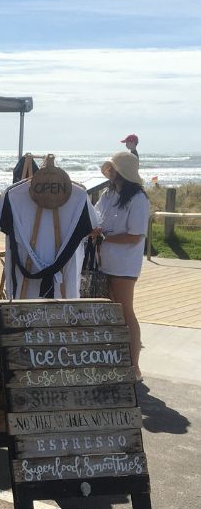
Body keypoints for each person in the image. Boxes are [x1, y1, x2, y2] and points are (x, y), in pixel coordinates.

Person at [93, 151, 150, 381]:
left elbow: (135, 236)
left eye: (113, 169)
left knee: (126, 312)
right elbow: (96, 217)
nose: (110, 172)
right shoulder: (108, 194)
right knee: (111, 313)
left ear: (122, 172)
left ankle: (134, 367)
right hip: (105, 261)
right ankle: (116, 360)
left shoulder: (138, 198)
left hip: (125, 263)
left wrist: (104, 237)